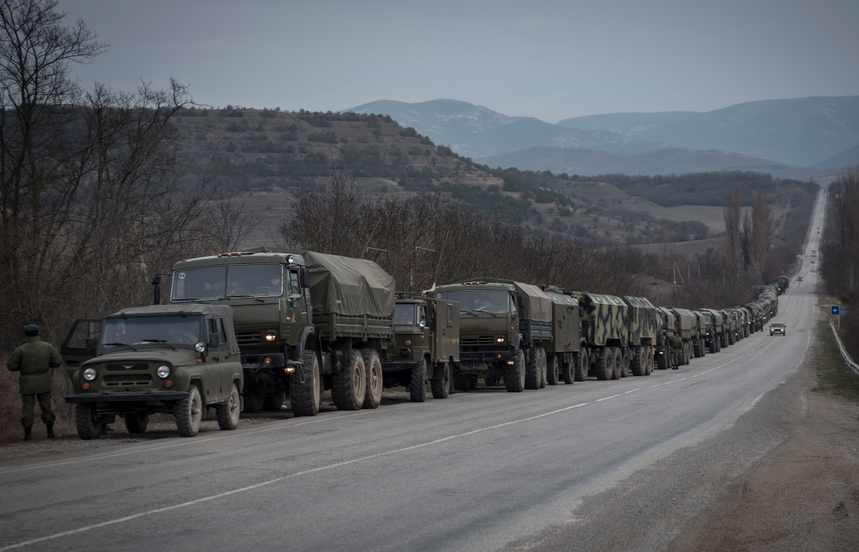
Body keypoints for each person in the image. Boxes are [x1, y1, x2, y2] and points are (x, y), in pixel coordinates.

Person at [7, 324, 63, 441]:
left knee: (27, 408)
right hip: (43, 380)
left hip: (27, 382)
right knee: (46, 406)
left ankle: (28, 434)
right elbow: (57, 362)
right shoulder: (47, 347)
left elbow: (11, 366)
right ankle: (50, 432)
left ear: (26, 334)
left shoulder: (20, 349)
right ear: (38, 333)